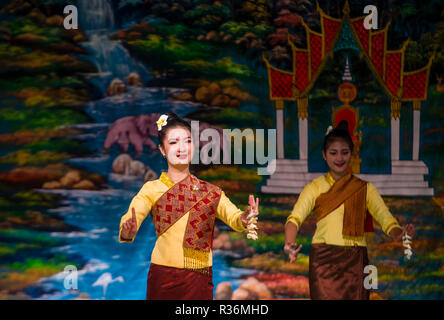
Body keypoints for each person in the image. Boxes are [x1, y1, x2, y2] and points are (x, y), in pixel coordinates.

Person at [118, 112, 259, 300]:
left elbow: (234, 218)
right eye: (174, 142)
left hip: (198, 278)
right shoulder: (152, 189)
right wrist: (129, 229)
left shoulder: (210, 192)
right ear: (162, 149)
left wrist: (245, 216)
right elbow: (132, 217)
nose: (182, 148)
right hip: (163, 277)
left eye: (187, 141)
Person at [284, 120, 415, 300]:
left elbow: (386, 219)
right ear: (324, 155)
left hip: (355, 261)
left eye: (344, 153)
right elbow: (294, 219)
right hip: (323, 262)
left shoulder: (365, 188)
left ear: (352, 154)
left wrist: (398, 232)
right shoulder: (314, 188)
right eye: (333, 153)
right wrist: (289, 243)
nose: (339, 158)